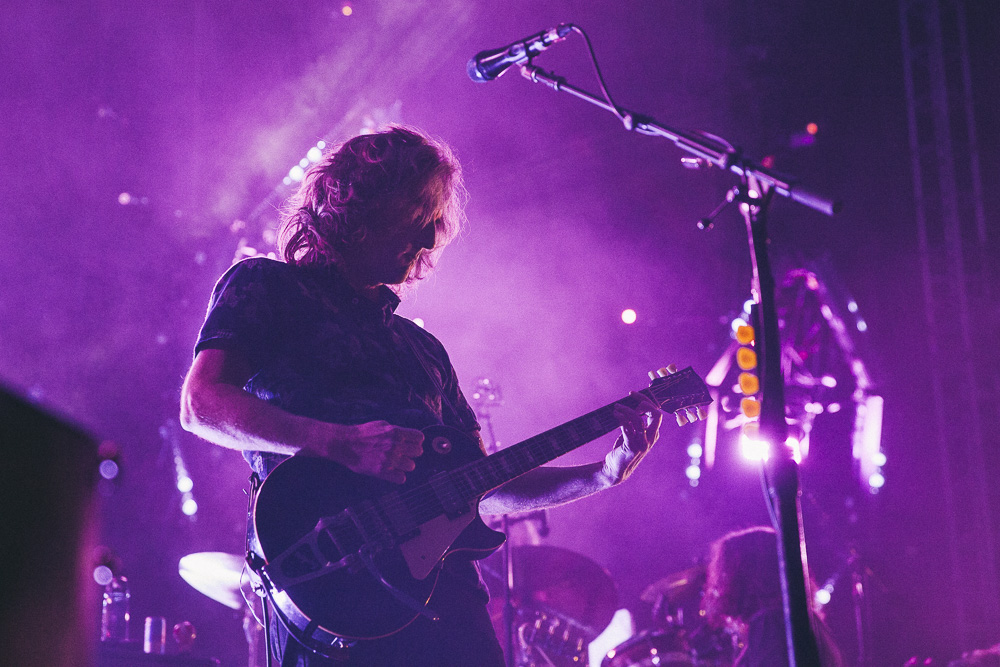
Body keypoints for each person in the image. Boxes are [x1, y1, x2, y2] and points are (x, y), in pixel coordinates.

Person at [179, 126, 679, 666]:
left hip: (443, 600)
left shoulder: (422, 350)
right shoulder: (266, 286)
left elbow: (482, 486)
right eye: (416, 214)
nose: (427, 237)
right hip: (330, 585)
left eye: (434, 220)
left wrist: (601, 474)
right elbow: (201, 404)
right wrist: (336, 442)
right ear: (358, 206)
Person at [702, 526, 843, 667]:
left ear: (745, 575)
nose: (721, 584)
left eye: (726, 573)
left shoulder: (769, 621)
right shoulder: (800, 619)